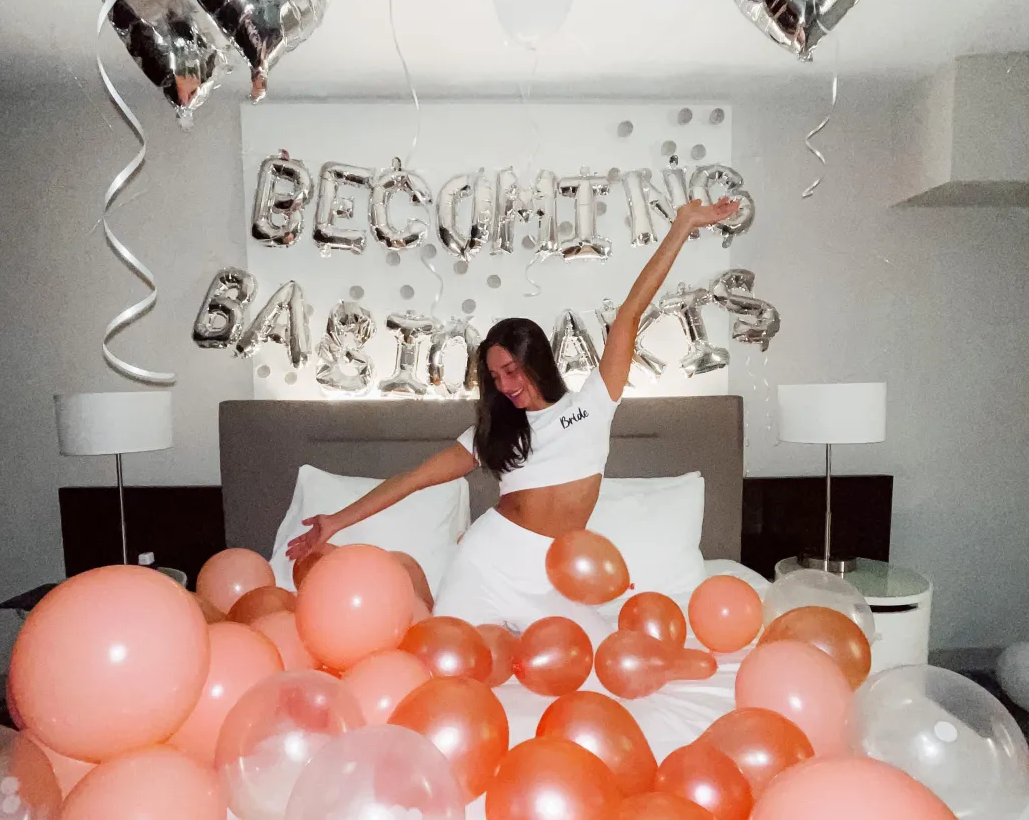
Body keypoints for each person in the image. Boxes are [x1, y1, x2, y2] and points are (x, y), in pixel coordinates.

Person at [286, 197, 739, 632]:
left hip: (553, 581)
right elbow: (413, 479)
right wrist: (335, 521)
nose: (504, 385)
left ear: (536, 358)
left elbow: (629, 314)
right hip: (487, 567)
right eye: (494, 377)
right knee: (448, 663)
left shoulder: (593, 405)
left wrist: (681, 226)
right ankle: (409, 583)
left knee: (593, 669)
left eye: (511, 370)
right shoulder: (495, 431)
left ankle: (412, 581)